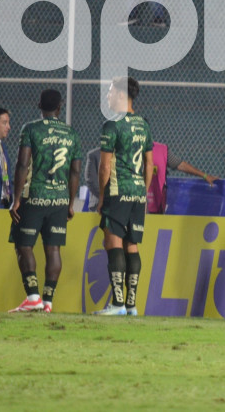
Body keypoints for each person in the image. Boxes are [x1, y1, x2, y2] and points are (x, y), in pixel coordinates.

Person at [8, 89, 83, 313]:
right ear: (60, 108)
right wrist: (70, 202)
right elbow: (75, 171)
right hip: (59, 199)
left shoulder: (31, 129)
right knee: (53, 250)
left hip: (35, 197)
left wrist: (17, 198)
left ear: (38, 105)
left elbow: (22, 165)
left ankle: (33, 297)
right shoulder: (72, 134)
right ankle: (48, 301)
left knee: (24, 245)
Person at [95, 77, 153, 316]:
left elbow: (105, 167)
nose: (107, 97)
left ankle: (117, 304)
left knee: (113, 242)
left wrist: (101, 196)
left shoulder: (112, 125)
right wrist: (143, 191)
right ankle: (131, 305)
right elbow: (149, 163)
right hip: (138, 191)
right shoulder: (144, 124)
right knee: (132, 244)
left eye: (109, 92)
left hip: (118, 190)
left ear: (120, 94)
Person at [147, 140, 219, 214]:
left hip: (155, 206)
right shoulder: (134, 151)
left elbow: (180, 165)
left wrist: (205, 176)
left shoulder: (161, 150)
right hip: (137, 202)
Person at [85, 146, 101, 211]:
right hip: (98, 204)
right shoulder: (94, 155)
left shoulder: (126, 154)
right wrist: (105, 198)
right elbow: (91, 181)